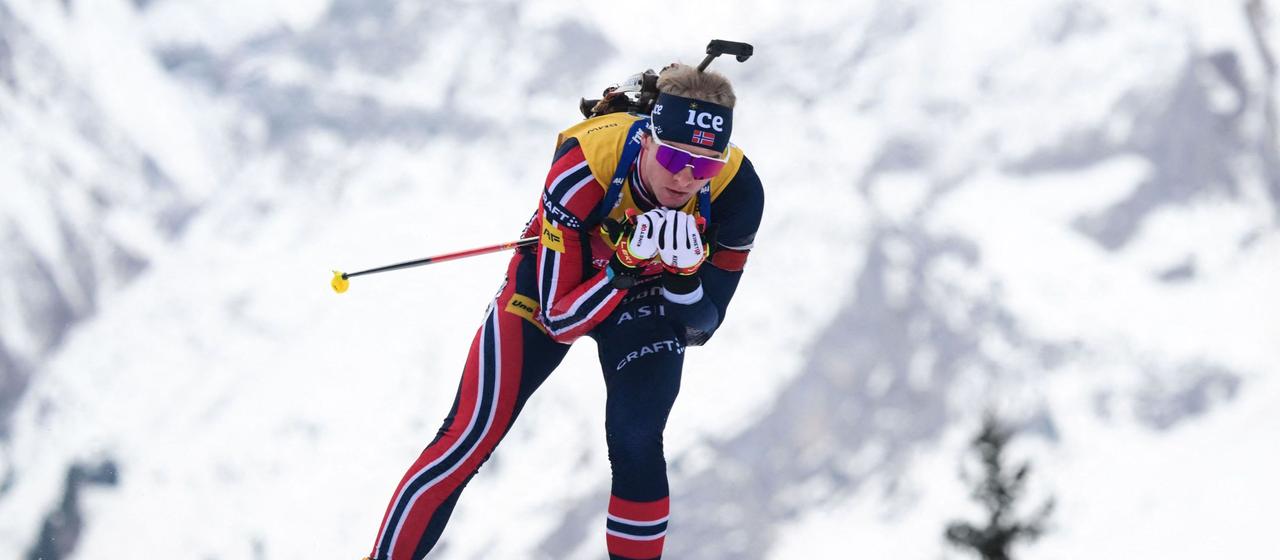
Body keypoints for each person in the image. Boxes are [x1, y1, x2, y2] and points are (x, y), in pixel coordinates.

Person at [365, 62, 764, 560]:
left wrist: (682, 279)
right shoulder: (586, 163)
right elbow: (558, 317)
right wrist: (621, 266)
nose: (687, 178)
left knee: (637, 438)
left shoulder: (738, 190)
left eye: (706, 164)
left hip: (644, 295)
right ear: (646, 140)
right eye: (675, 157)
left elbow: (703, 325)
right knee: (468, 436)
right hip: (559, 280)